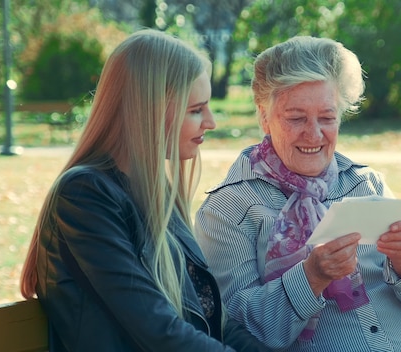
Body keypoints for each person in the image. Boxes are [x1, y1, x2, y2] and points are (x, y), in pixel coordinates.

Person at [195, 36, 401, 351]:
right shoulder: (228, 209)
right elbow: (237, 331)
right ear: (264, 117)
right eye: (296, 118)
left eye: (327, 118)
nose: (314, 134)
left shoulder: (364, 183)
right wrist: (311, 277)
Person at [19, 29, 269, 352]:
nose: (211, 122)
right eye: (196, 109)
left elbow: (213, 320)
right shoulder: (85, 196)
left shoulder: (154, 190)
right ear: (149, 111)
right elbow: (157, 330)